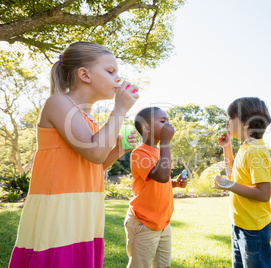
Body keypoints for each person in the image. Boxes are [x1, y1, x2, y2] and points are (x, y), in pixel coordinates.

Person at [8, 41, 139, 268]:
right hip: (59, 207)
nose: (118, 78)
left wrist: (118, 150)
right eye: (110, 71)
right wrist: (119, 110)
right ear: (84, 75)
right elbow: (96, 153)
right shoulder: (58, 103)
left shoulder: (88, 119)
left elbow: (93, 164)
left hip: (83, 206)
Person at [212, 97, 271, 268]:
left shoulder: (255, 151)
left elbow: (263, 193)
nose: (227, 122)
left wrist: (226, 184)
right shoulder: (246, 147)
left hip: (253, 228)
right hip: (240, 222)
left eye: (231, 117)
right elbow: (233, 174)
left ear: (246, 123)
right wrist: (227, 148)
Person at [125, 106, 188, 268]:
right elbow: (160, 176)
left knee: (162, 265)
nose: (168, 125)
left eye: (168, 121)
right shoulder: (139, 153)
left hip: (163, 222)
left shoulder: (159, 152)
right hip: (143, 223)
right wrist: (166, 141)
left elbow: (162, 179)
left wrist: (174, 183)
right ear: (146, 127)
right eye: (163, 121)